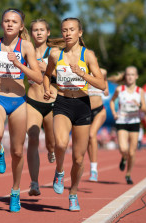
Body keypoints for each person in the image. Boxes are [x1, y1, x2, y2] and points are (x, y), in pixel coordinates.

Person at [0, 8, 42, 212]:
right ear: (2, 23)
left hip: (18, 101)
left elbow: (38, 78)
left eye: (14, 21)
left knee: (17, 151)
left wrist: (19, 64)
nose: (10, 24)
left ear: (21, 26)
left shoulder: (26, 46)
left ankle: (15, 191)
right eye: (6, 20)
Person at [43, 17, 106, 211]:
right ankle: (60, 171)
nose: (67, 33)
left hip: (82, 104)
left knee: (79, 159)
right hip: (62, 103)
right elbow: (47, 75)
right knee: (60, 144)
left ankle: (73, 194)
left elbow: (102, 85)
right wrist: (47, 88)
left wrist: (82, 74)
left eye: (71, 29)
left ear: (80, 33)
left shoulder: (88, 55)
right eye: (64, 30)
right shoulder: (55, 54)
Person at [26, 19, 59, 196]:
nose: (38, 33)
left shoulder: (54, 52)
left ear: (48, 33)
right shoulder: (26, 51)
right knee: (32, 137)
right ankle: (34, 183)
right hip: (32, 100)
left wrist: (48, 69)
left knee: (52, 142)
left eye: (42, 30)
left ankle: (52, 150)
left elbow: (66, 77)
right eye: (35, 30)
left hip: (52, 102)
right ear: (31, 33)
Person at [109, 66, 146, 185]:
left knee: (132, 152)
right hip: (122, 121)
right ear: (125, 76)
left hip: (134, 122)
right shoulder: (120, 89)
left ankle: (128, 174)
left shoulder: (139, 91)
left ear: (136, 76)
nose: (130, 77)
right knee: (123, 149)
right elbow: (111, 101)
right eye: (128, 74)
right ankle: (124, 158)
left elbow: (145, 109)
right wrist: (114, 113)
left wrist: (139, 105)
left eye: (132, 74)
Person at [87, 68, 109, 182]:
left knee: (91, 135)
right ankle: (92, 166)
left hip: (100, 110)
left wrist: (106, 88)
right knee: (86, 140)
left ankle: (94, 170)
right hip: (86, 111)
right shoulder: (82, 71)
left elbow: (105, 80)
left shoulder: (102, 72)